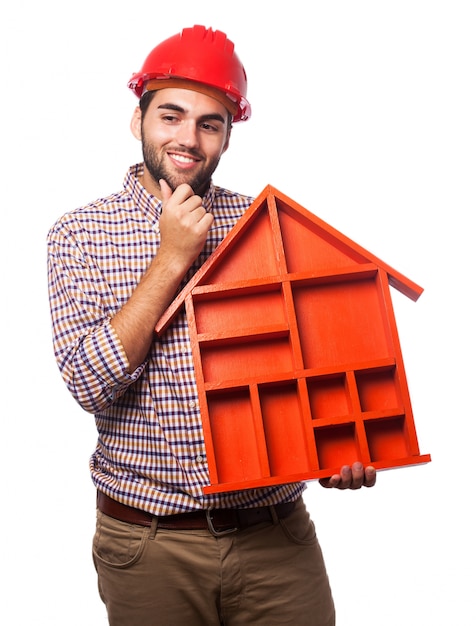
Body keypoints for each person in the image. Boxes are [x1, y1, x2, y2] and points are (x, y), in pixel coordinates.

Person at [47, 24, 376, 626]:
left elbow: (307, 366)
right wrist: (172, 257)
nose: (188, 139)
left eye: (210, 122)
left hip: (277, 540)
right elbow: (89, 383)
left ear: (227, 134)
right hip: (150, 546)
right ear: (138, 119)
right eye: (171, 116)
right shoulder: (79, 234)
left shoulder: (264, 225)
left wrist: (334, 447)